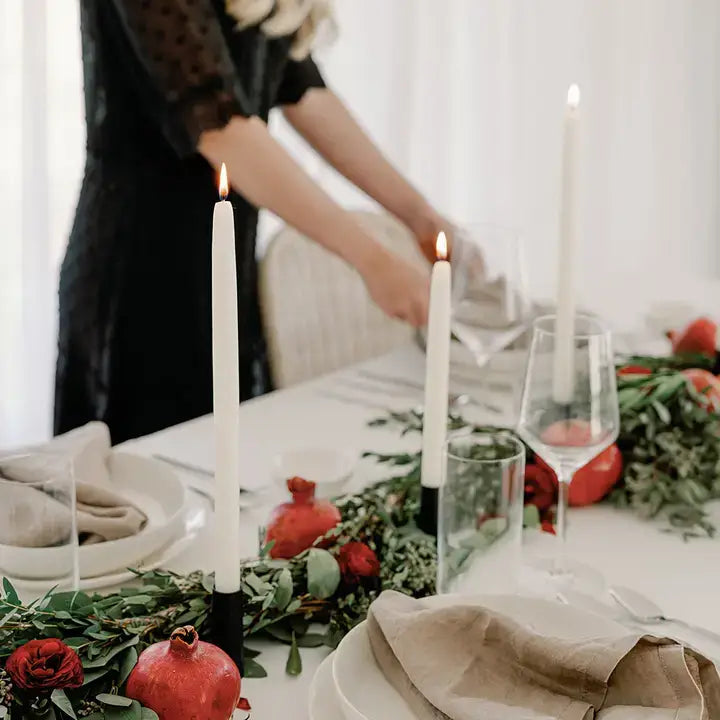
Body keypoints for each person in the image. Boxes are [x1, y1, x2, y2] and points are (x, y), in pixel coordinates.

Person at [55, 0, 449, 444]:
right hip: (136, 273)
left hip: (223, 268)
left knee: (226, 467)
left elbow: (301, 89)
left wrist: (421, 217)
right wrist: (371, 259)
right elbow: (221, 128)